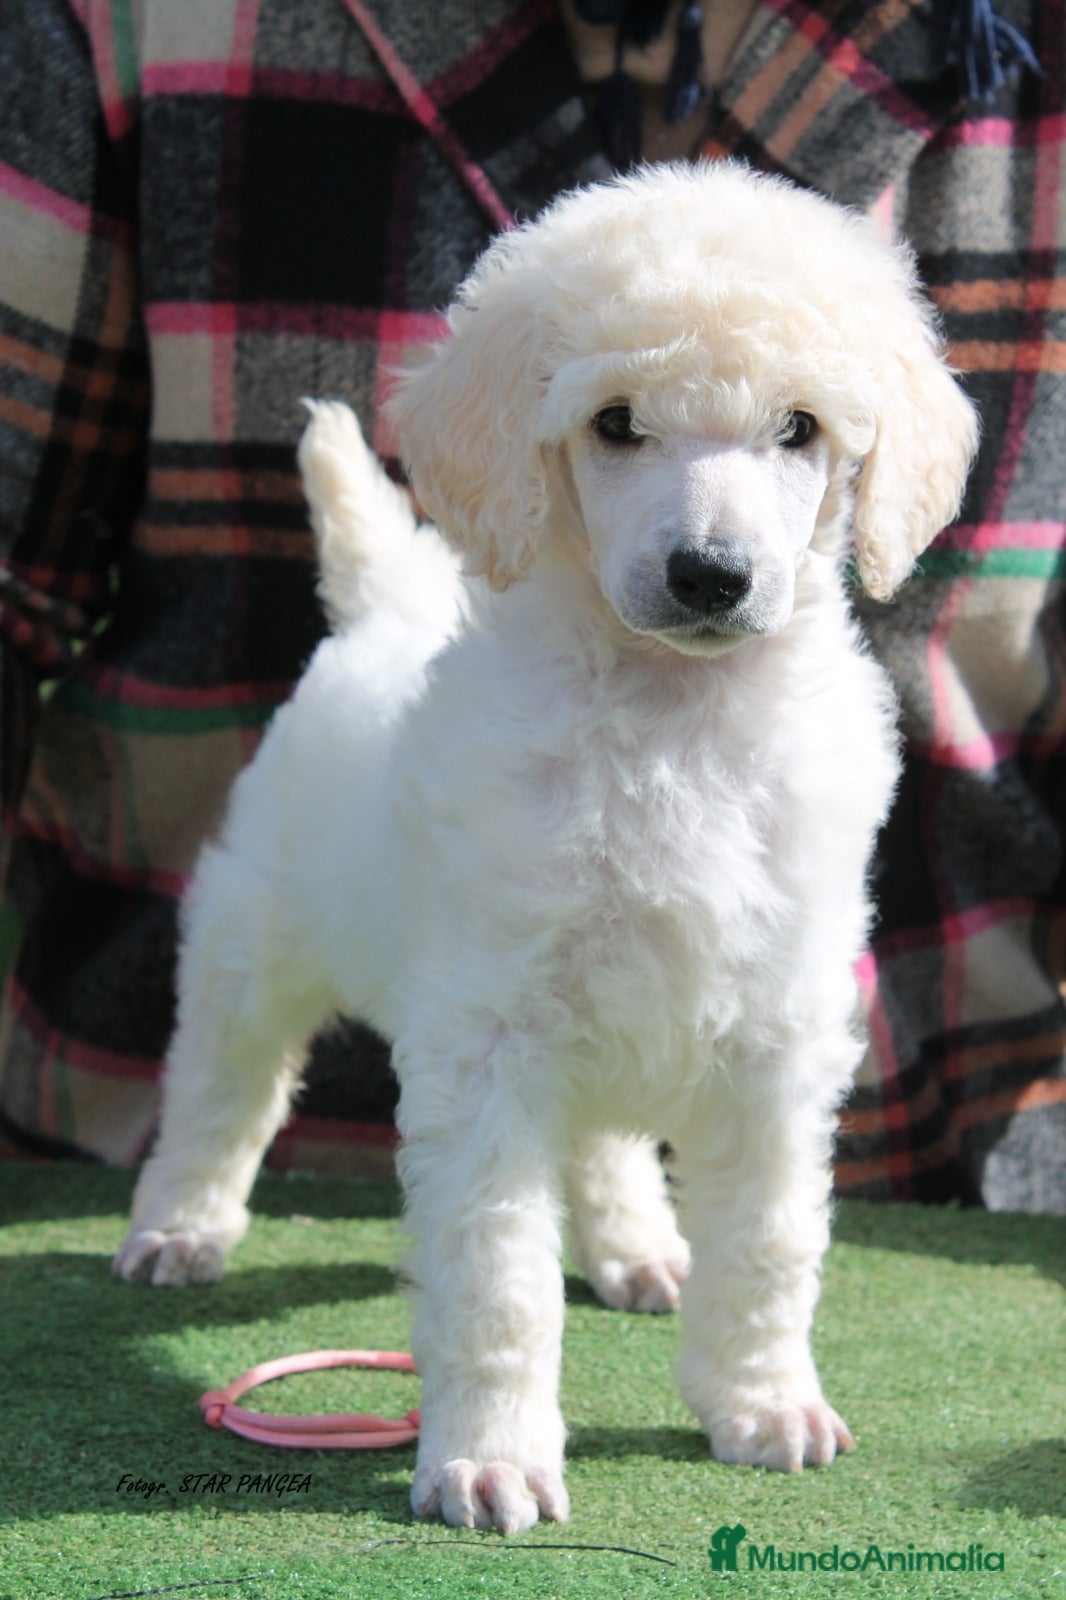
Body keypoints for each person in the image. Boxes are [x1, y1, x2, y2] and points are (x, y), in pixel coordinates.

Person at [0, 0, 1061, 1210]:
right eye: (618, 424)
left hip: (943, 1167)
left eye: (795, 432)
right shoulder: (131, 25)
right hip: (127, 1133)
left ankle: (623, 1209)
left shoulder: (1021, 51)